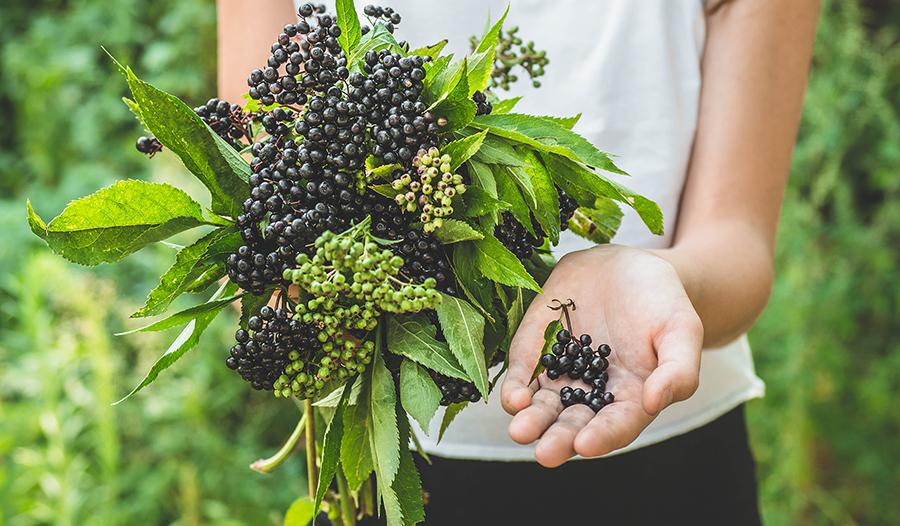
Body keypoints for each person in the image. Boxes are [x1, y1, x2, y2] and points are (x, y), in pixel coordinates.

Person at [217, 0, 819, 523]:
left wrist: (665, 282)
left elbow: (737, 245)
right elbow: (266, 195)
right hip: (396, 465)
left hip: (665, 447)